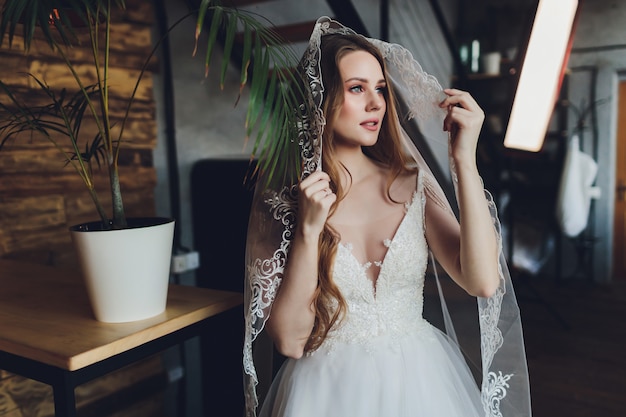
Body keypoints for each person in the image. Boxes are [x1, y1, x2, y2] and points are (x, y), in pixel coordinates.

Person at [243, 17, 531, 417]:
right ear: (320, 99)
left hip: (422, 383)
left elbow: (482, 281)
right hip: (325, 393)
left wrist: (464, 161)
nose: (376, 103)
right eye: (357, 88)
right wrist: (309, 231)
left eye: (380, 88)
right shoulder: (289, 202)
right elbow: (291, 342)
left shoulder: (411, 185)